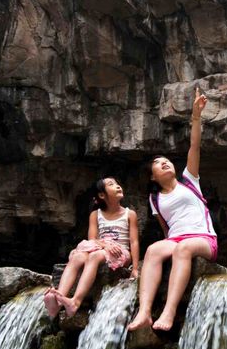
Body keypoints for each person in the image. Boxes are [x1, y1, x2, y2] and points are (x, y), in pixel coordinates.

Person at [129, 86, 216, 332]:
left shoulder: (190, 180)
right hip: (175, 238)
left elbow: (194, 147)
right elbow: (165, 229)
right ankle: (144, 312)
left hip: (203, 238)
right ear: (153, 177)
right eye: (157, 163)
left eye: (165, 159)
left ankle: (169, 311)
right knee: (155, 249)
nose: (164, 162)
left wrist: (196, 116)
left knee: (184, 248)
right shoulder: (154, 199)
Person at [44, 177, 140, 319]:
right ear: (102, 195)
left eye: (118, 184)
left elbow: (134, 242)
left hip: (120, 251)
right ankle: (59, 300)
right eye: (111, 184)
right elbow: (92, 239)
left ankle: (75, 302)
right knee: (77, 257)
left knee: (95, 256)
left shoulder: (129, 214)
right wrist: (105, 245)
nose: (118, 186)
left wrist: (136, 268)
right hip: (100, 247)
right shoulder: (95, 215)